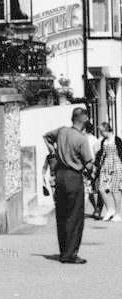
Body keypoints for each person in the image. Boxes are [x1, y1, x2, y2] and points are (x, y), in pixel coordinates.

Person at [43, 108, 94, 264]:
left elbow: (46, 136)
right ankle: (71, 253)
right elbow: (89, 163)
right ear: (84, 119)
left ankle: (63, 251)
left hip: (60, 176)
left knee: (62, 215)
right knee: (75, 217)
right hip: (74, 177)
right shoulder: (81, 139)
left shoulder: (62, 131)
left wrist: (53, 152)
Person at [95, 122, 122, 222]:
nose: (101, 133)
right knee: (101, 188)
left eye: (101, 131)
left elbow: (121, 152)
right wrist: (98, 166)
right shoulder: (103, 141)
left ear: (106, 130)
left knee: (115, 190)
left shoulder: (117, 140)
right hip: (105, 166)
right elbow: (101, 155)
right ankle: (110, 209)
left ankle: (118, 214)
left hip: (116, 165)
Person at [83, 122, 102, 218]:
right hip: (87, 167)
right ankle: (96, 209)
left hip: (91, 167)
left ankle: (97, 210)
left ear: (85, 129)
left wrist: (94, 168)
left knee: (93, 190)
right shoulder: (86, 139)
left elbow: (97, 155)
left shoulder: (93, 140)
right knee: (89, 189)